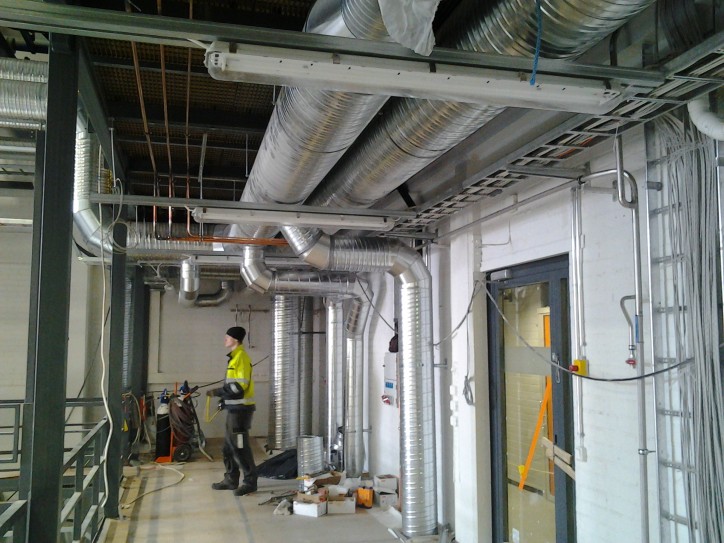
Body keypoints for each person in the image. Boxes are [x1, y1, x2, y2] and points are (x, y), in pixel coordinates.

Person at [207, 326, 258, 496]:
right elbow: (233, 385)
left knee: (239, 447)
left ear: (235, 340)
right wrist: (224, 400)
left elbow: (240, 386)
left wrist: (219, 392)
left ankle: (250, 482)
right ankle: (231, 479)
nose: (225, 339)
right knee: (228, 448)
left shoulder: (241, 357)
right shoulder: (234, 357)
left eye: (227, 337)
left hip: (241, 411)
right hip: (234, 408)